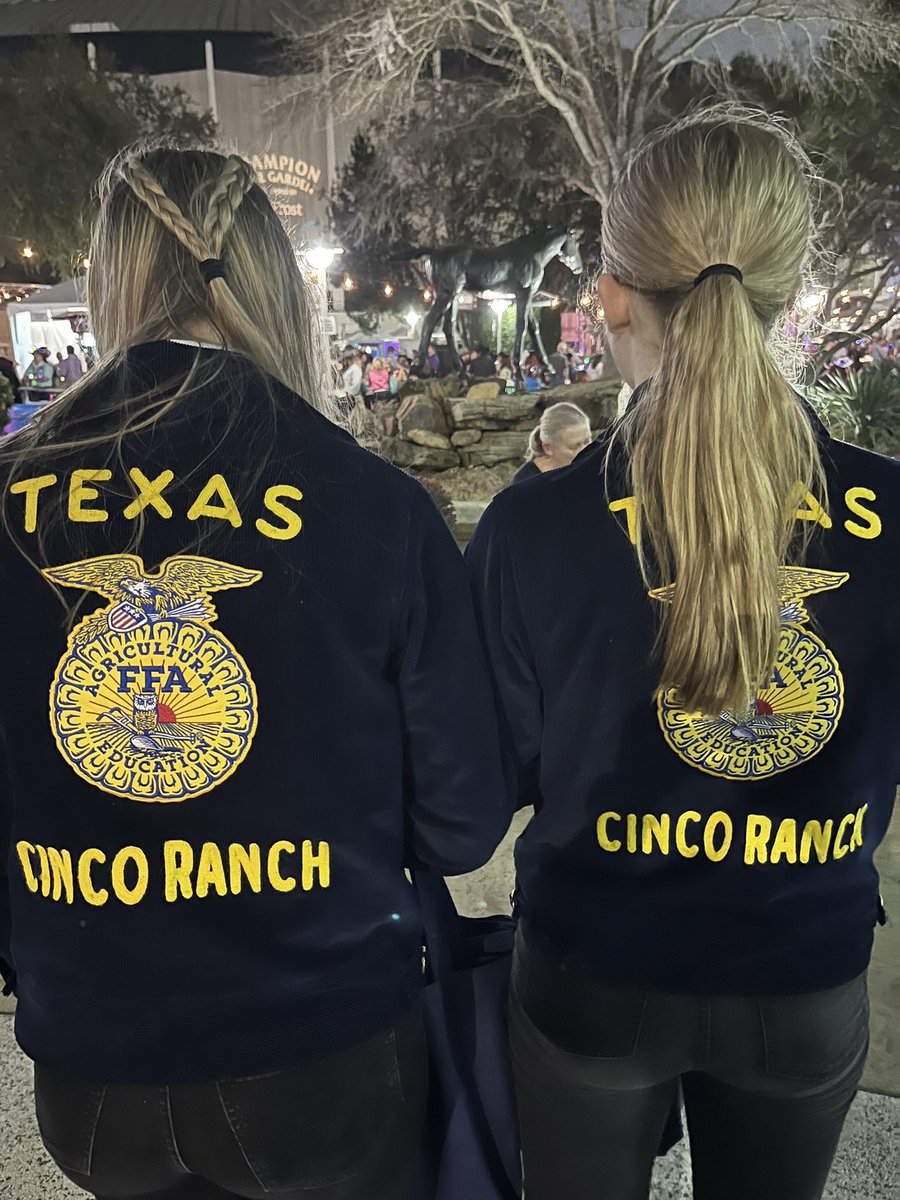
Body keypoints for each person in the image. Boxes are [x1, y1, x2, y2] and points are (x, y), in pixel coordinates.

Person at [0, 146, 512, 1200]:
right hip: (321, 1042)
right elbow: (462, 821)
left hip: (94, 1060)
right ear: (274, 276)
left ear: (108, 277)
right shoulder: (375, 506)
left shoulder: (11, 497)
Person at [467, 106, 898, 1200]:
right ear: (791, 295)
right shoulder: (894, 518)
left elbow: (493, 774)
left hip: (592, 973)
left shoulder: (533, 526)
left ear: (611, 296)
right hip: (803, 968)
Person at [511, 402, 592, 484]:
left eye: (587, 441)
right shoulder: (525, 485)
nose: (586, 450)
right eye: (574, 446)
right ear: (548, 448)